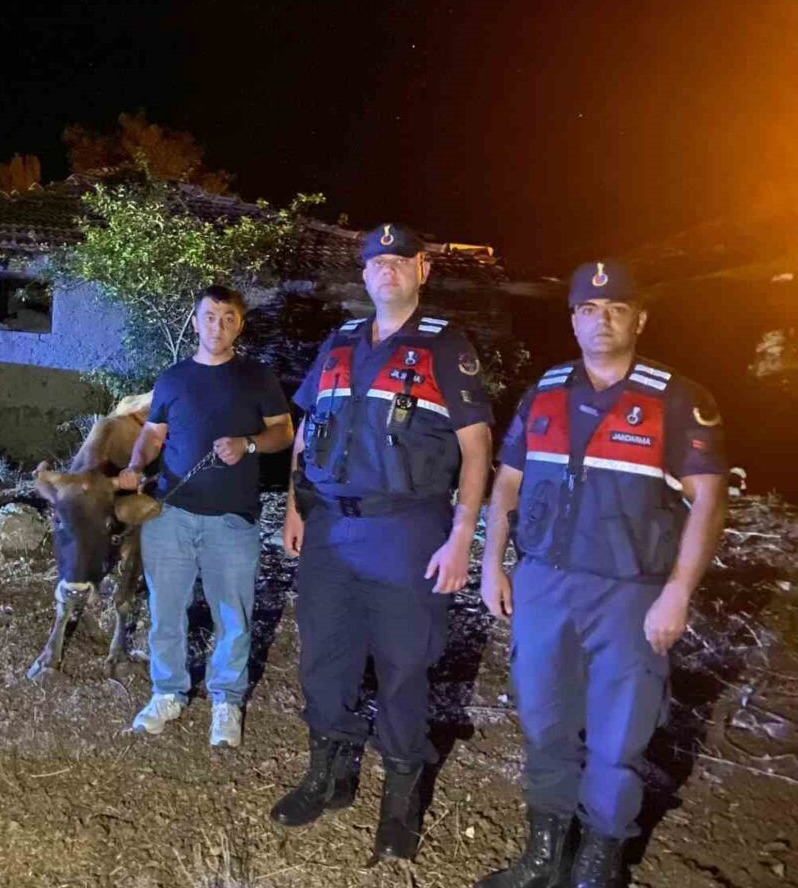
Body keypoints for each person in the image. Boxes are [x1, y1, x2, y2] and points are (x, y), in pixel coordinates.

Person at [474, 260, 727, 888]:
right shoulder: (546, 391)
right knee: (543, 720)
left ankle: (599, 863)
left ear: (639, 318)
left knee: (619, 740)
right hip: (543, 585)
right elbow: (508, 480)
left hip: (629, 592)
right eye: (589, 309)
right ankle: (544, 855)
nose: (601, 319)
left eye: (616, 308)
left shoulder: (677, 398)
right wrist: (492, 561)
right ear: (573, 319)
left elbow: (710, 502)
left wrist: (677, 592)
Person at [269, 223, 493, 865]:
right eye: (377, 261)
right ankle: (329, 778)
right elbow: (307, 430)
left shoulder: (447, 346)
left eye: (401, 260)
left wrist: (461, 537)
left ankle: (399, 806)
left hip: (408, 530)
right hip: (331, 530)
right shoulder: (338, 343)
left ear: (422, 270)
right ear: (363, 274)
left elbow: (476, 448)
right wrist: (294, 508)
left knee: (403, 668)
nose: (387, 269)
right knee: (324, 659)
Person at [116, 284, 294, 747]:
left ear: (240, 324)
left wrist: (249, 444)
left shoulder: (257, 378)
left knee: (232, 616)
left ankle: (226, 703)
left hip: (233, 520)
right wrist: (136, 465)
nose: (218, 326)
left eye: (228, 318)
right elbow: (154, 432)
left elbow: (284, 432)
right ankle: (167, 692)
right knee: (165, 611)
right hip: (170, 514)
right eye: (210, 317)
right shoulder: (174, 377)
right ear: (195, 322)